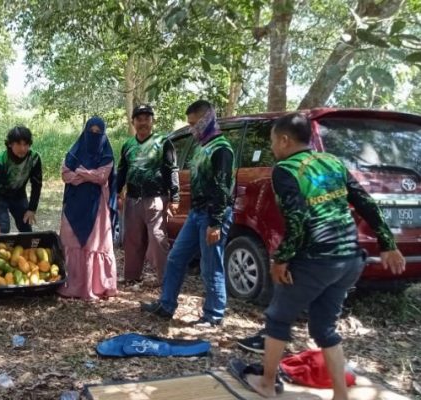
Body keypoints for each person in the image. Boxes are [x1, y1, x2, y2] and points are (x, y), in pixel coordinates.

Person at [242, 113, 405, 399]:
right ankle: (340, 394)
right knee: (324, 327)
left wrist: (281, 259)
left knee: (278, 319)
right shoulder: (332, 162)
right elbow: (365, 202)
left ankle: (267, 384)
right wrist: (388, 244)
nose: (272, 147)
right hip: (349, 259)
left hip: (316, 259)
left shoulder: (286, 169)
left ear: (284, 140)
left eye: (273, 141)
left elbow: (296, 219)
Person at [141, 100, 234, 328]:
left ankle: (213, 315)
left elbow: (222, 188)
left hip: (212, 215)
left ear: (207, 120)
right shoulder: (201, 146)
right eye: (189, 124)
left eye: (194, 124)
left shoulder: (221, 149)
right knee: (176, 258)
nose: (192, 129)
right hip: (196, 213)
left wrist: (216, 223)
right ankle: (166, 305)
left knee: (210, 266)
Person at [116, 104, 180, 284]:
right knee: (132, 239)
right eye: (139, 119)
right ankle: (131, 277)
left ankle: (165, 279)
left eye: (147, 119)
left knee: (158, 238)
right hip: (133, 198)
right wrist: (117, 192)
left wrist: (175, 197)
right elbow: (122, 171)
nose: (143, 122)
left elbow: (172, 170)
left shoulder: (163, 142)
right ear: (133, 122)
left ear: (153, 121)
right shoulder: (128, 145)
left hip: (156, 198)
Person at [58, 116, 118, 300]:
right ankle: (72, 284)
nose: (94, 136)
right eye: (91, 132)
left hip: (96, 206)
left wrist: (80, 172)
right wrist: (88, 175)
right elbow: (66, 175)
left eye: (98, 133)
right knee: (71, 241)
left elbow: (102, 176)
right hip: (73, 205)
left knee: (94, 243)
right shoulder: (74, 152)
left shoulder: (107, 155)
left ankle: (96, 286)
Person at [0, 126, 43, 239]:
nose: (23, 148)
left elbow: (37, 184)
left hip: (19, 195)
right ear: (10, 144)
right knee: (2, 229)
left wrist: (32, 209)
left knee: (26, 227)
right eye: (18, 144)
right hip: (1, 196)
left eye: (26, 144)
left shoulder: (34, 158)